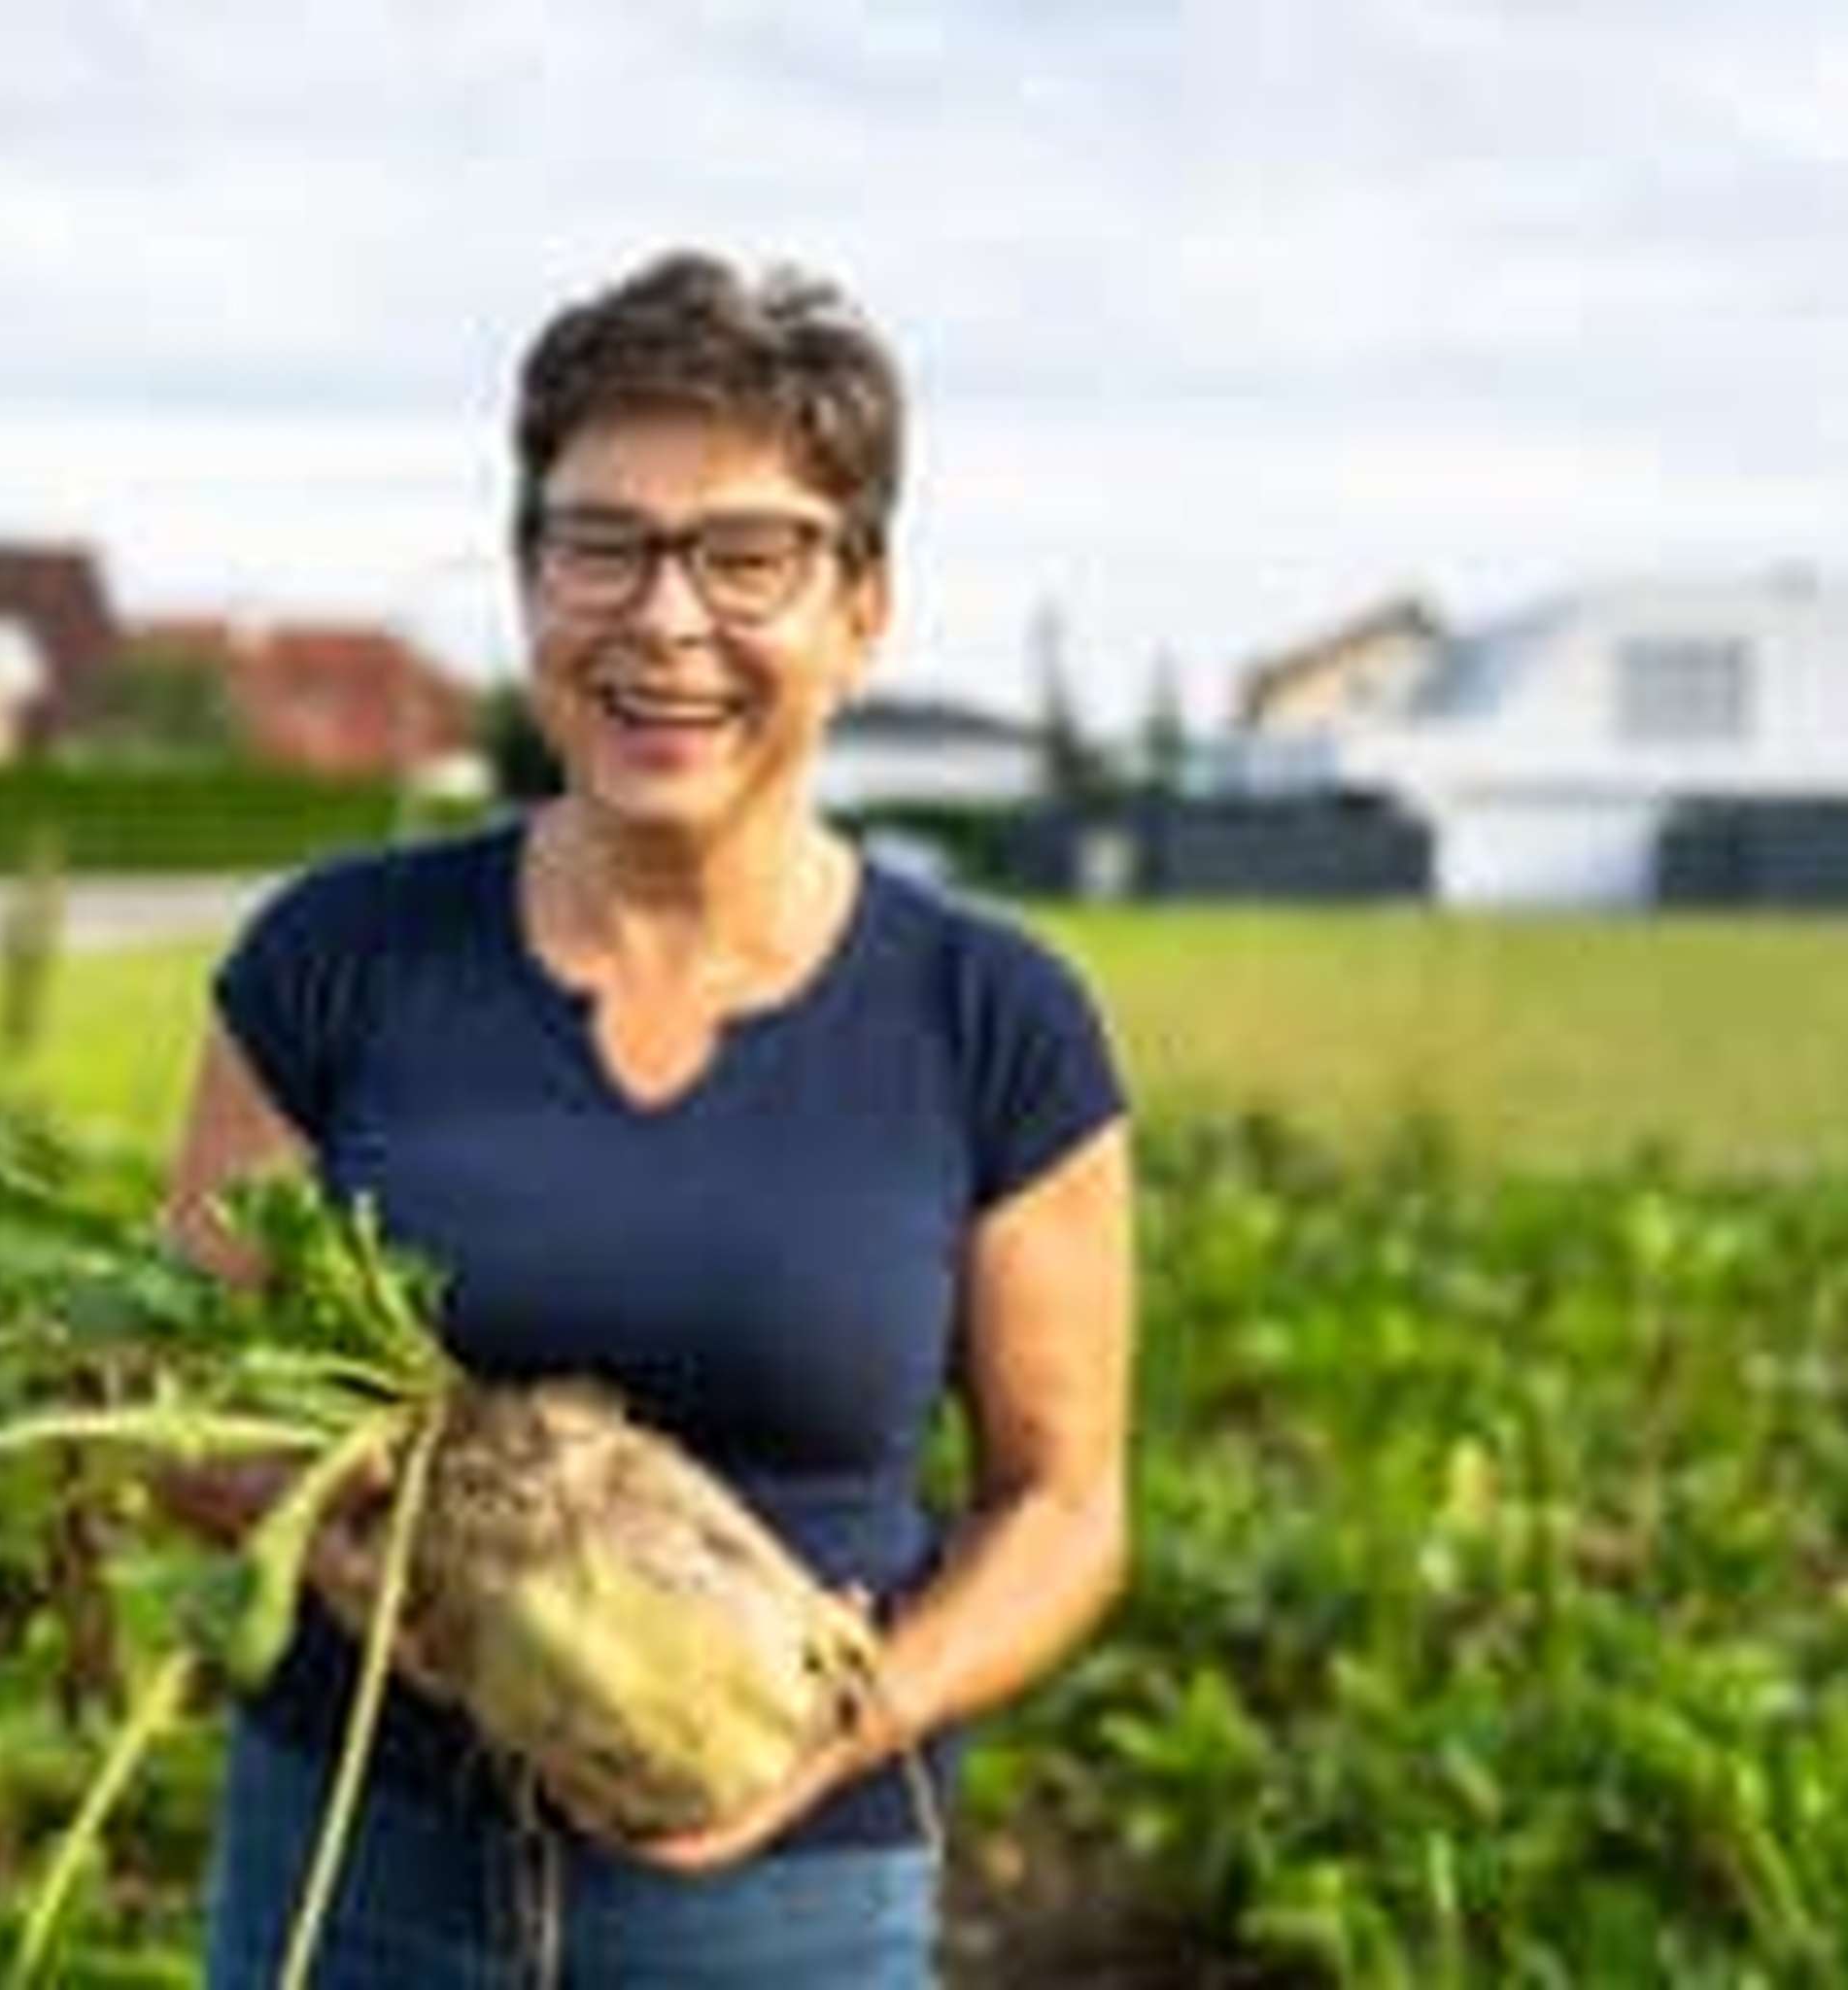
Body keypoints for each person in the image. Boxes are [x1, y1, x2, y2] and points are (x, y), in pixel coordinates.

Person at [161, 250, 1136, 1989]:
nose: (665, 620)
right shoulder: (334, 964)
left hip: (794, 1910)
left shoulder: (996, 1024)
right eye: (600, 543)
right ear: (532, 578)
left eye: (748, 557)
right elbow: (190, 1404)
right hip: (361, 1883)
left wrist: (849, 1719)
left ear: (863, 607)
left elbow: (1064, 1503)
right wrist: (471, 1560)